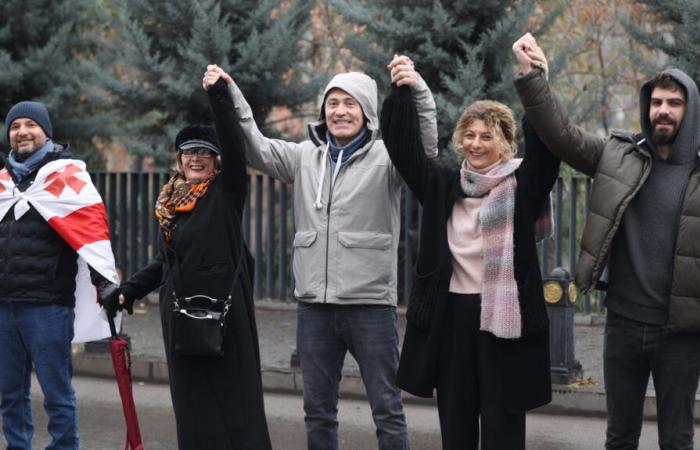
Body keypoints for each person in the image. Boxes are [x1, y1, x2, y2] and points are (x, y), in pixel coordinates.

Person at [201, 58, 438, 450]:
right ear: (323, 111)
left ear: (366, 112)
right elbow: (254, 145)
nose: (340, 112)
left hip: (370, 306)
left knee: (387, 408)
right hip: (314, 307)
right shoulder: (303, 157)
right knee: (317, 410)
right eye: (333, 103)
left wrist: (419, 89)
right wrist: (230, 92)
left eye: (350, 104)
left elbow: (425, 150)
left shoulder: (389, 159)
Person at [512, 33, 700, 450]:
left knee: (677, 438)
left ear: (691, 109)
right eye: (656, 102)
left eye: (674, 102)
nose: (663, 111)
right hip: (623, 325)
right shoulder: (618, 155)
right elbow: (561, 135)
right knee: (619, 437)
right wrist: (533, 78)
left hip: (681, 335)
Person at [380, 60, 557, 449]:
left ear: (506, 143)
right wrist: (401, 90)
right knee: (456, 429)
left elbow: (546, 147)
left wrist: (534, 82)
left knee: (502, 430)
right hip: (452, 319)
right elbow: (402, 149)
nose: (476, 144)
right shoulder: (443, 184)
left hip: (503, 323)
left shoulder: (522, 186)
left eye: (486, 136)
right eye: (470, 135)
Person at [118, 80, 271, 449]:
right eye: (188, 152)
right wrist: (128, 291)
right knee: (193, 411)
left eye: (205, 152)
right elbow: (165, 263)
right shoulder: (172, 205)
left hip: (223, 321)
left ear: (216, 160)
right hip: (182, 324)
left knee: (235, 409)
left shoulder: (226, 193)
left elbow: (236, 149)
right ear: (179, 159)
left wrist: (218, 96)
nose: (196, 158)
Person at [0, 101, 120, 449]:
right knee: (9, 394)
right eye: (15, 126)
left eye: (30, 125)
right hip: (4, 306)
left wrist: (106, 284)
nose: (22, 131)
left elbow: (91, 233)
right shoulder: (3, 181)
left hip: (47, 306)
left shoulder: (66, 176)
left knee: (57, 394)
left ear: (45, 131)